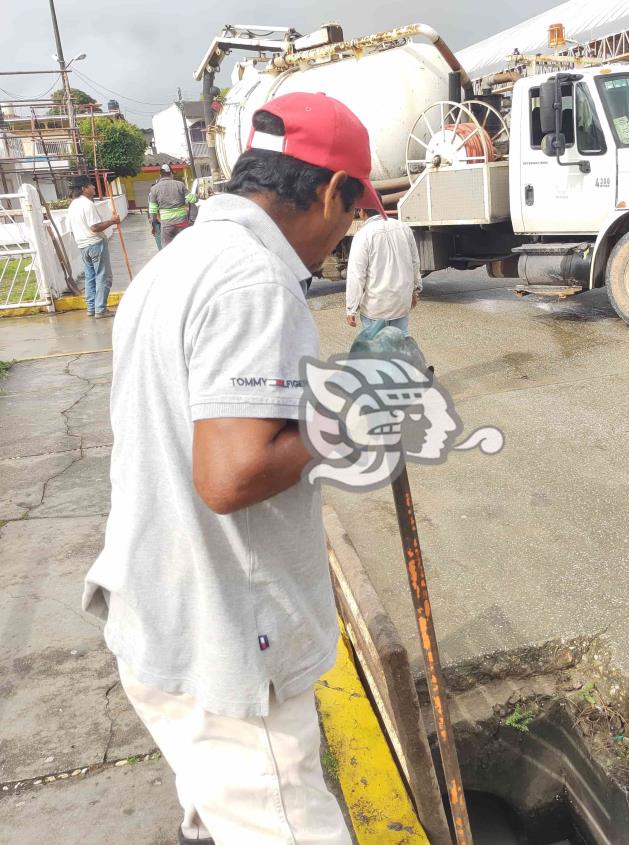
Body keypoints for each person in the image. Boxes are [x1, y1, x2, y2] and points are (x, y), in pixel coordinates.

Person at [82, 91, 385, 844]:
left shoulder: (177, 257)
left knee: (217, 816)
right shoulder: (255, 278)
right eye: (351, 210)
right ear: (328, 191)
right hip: (227, 646)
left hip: (161, 612)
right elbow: (232, 475)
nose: (345, 232)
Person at [344, 208, 422, 343]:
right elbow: (414, 262)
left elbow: (356, 275)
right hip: (400, 303)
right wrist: (414, 291)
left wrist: (351, 308)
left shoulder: (363, 235)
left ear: (362, 211)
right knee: (400, 347)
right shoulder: (403, 228)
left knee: (376, 351)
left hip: (375, 307)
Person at [66, 177, 119, 318]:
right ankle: (100, 309)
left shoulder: (73, 205)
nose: (94, 188)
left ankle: (91, 308)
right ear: (84, 188)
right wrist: (112, 221)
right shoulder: (87, 205)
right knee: (103, 277)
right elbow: (95, 227)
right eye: (91, 186)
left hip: (83, 246)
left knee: (90, 277)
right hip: (95, 243)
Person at [148, 163, 196, 247]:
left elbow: (152, 210)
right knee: (185, 246)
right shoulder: (180, 184)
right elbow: (192, 199)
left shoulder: (154, 189)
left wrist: (153, 225)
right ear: (170, 174)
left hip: (167, 224)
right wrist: (197, 196)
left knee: (167, 249)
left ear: (160, 175)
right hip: (181, 222)